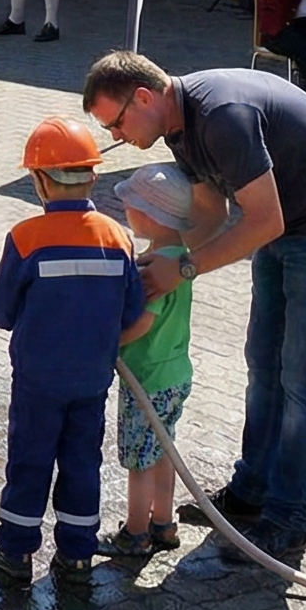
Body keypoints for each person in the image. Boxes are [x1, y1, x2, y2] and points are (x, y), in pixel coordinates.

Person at [83, 50, 306, 568]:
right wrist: (162, 257)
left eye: (116, 123)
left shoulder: (221, 116)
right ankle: (252, 490)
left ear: (143, 97)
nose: (117, 137)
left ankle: (289, 519)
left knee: (305, 378)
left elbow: (262, 221)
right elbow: (213, 213)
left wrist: (184, 269)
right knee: (263, 362)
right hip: (285, 222)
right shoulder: (178, 128)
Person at [0, 118, 148, 590]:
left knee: (30, 461)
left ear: (39, 180)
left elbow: (4, 313)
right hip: (92, 380)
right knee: (83, 463)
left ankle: (14, 551)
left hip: (38, 381)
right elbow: (131, 311)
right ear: (91, 176)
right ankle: (77, 556)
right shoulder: (118, 237)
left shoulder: (26, 238)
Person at [105, 163, 197, 559]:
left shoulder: (154, 269)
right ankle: (164, 523)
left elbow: (144, 323)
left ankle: (136, 532)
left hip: (147, 378)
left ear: (147, 213)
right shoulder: (179, 258)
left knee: (139, 458)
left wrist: (107, 343)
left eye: (129, 205)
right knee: (163, 450)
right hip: (175, 372)